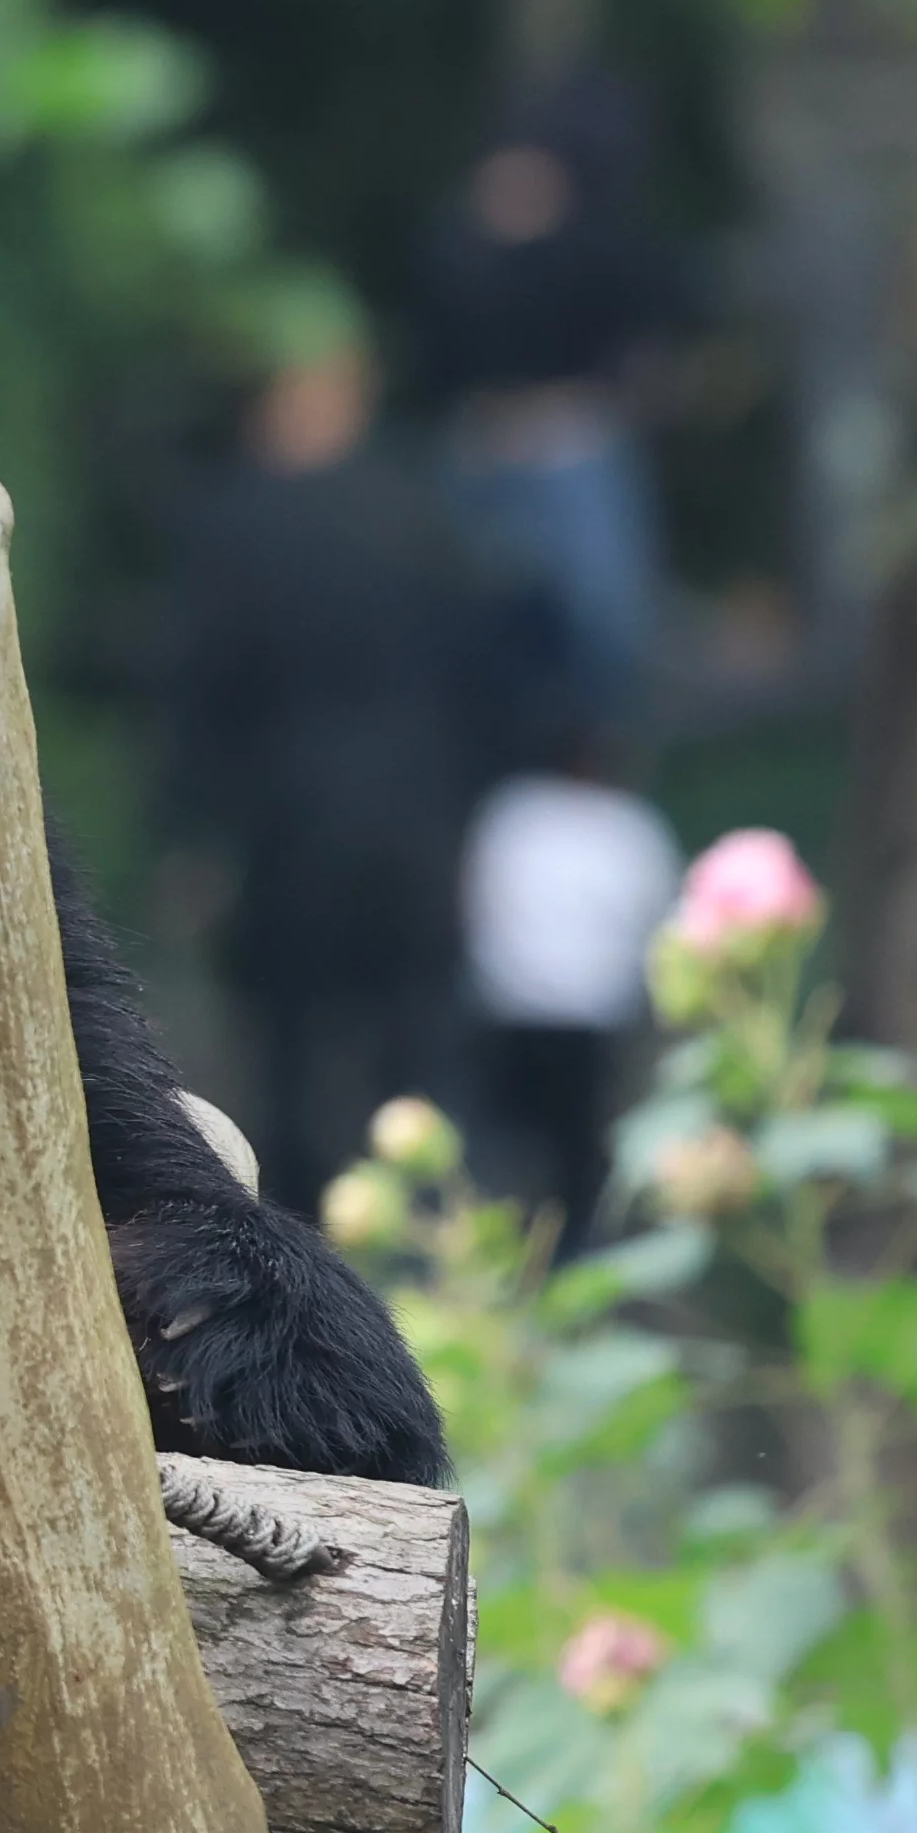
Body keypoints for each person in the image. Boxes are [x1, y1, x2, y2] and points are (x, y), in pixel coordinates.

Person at [156, 334, 503, 1199]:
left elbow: (203, 690)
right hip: (416, 816)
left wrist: (191, 837)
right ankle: (431, 1228)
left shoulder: (236, 522)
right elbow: (481, 677)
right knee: (420, 1039)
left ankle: (301, 1239)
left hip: (288, 824)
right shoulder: (423, 517)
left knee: (284, 1049)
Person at [419, 64, 689, 751]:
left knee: (607, 635)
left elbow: (648, 325)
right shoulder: (463, 244)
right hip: (482, 446)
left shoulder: (601, 243)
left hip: (571, 444)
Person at [459, 728, 675, 1238]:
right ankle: (575, 1247)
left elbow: (477, 904)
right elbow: (656, 916)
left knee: (507, 1147)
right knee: (581, 1153)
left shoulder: (512, 813)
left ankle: (503, 1247)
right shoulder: (629, 825)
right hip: (592, 1015)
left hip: (512, 1007)